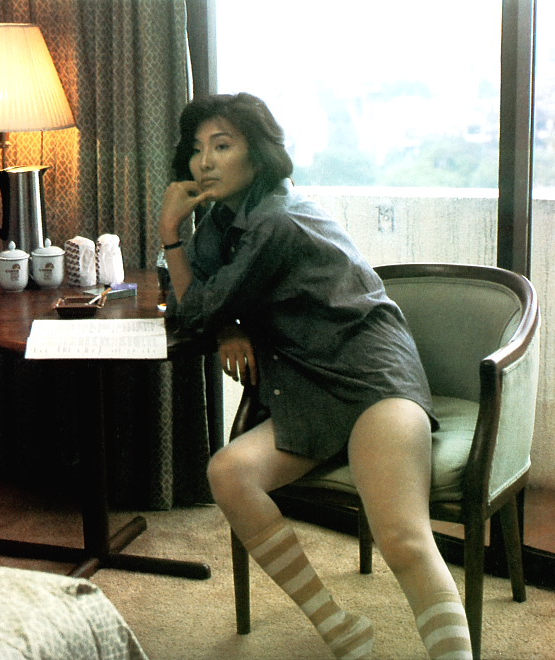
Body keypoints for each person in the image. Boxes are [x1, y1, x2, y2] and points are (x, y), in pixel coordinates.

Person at [159, 92, 472, 660]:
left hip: (370, 377)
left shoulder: (276, 221)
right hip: (305, 383)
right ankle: (339, 627)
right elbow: (196, 307)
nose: (204, 162)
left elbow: (198, 306)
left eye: (222, 146)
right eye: (198, 149)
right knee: (229, 473)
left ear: (258, 154)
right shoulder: (223, 221)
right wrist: (227, 325)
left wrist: (169, 234)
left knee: (402, 538)